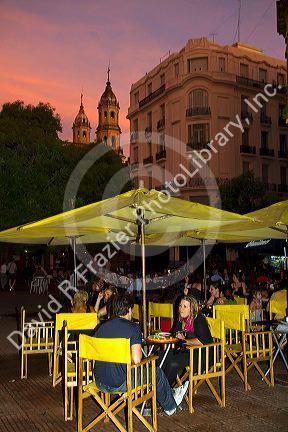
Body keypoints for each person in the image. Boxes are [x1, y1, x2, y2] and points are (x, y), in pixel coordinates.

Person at [93, 294, 188, 416]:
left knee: (141, 371)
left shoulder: (101, 328)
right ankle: (170, 406)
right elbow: (137, 360)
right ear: (129, 310)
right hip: (120, 382)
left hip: (99, 381)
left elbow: (95, 357)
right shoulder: (133, 328)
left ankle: (171, 394)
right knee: (156, 372)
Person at [161, 295, 213, 386]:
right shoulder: (181, 319)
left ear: (191, 309)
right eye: (180, 306)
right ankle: (161, 388)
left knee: (173, 363)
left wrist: (184, 340)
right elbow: (174, 334)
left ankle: (164, 392)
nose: (181, 309)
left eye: (185, 306)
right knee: (161, 357)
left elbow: (202, 342)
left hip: (203, 354)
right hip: (187, 351)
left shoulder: (198, 319)